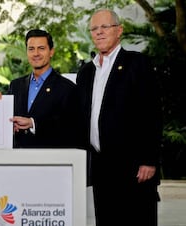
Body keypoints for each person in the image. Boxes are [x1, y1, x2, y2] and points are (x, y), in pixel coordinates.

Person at [76, 9, 162, 226]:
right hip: (101, 168)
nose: (99, 32)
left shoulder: (137, 64)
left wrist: (149, 160)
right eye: (94, 29)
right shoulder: (86, 72)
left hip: (135, 169)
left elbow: (151, 112)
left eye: (105, 27)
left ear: (119, 30)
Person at [8, 29, 80, 148]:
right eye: (31, 49)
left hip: (49, 160)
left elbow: (69, 127)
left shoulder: (67, 88)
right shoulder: (15, 85)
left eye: (41, 48)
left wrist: (33, 123)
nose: (36, 53)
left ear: (51, 52)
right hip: (17, 160)